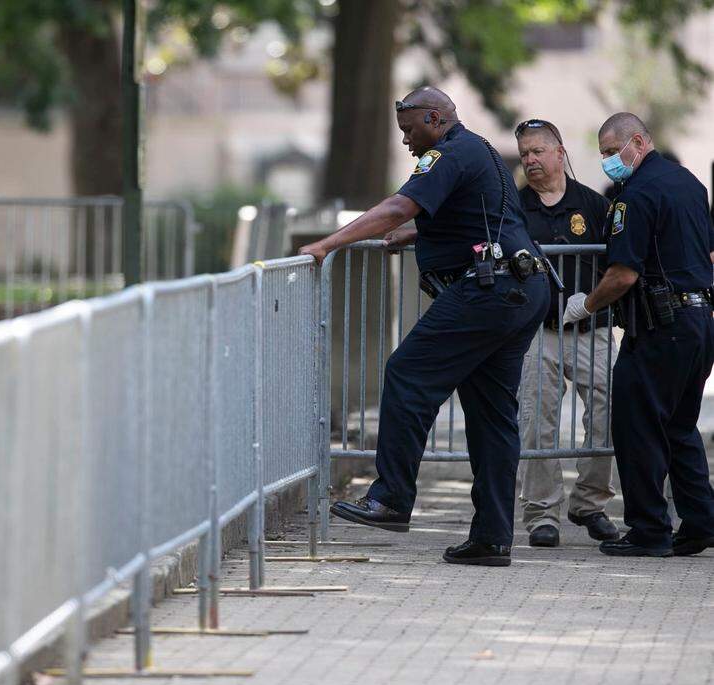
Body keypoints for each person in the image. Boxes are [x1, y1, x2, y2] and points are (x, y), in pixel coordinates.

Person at [299, 87, 549, 566]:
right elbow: (492, 215)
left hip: (489, 292)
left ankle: (391, 498)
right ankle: (492, 538)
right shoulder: (481, 153)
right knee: (493, 417)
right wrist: (425, 230)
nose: (408, 142)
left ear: (435, 118)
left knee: (407, 373)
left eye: (411, 130)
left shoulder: (448, 154)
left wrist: (327, 244)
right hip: (521, 288)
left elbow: (397, 206)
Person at [563, 112, 714, 557]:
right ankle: (700, 522)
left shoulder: (636, 196)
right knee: (679, 428)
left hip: (658, 327)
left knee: (638, 427)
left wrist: (585, 305)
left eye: (612, 151)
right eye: (604, 154)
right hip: (698, 322)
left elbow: (623, 274)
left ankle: (649, 530)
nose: (609, 161)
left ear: (639, 142)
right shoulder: (689, 183)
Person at [512, 119, 619, 547]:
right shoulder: (514, 209)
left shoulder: (594, 205)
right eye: (524, 154)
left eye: (538, 151)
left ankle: (589, 504)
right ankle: (542, 514)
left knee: (610, 415)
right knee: (537, 422)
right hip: (538, 330)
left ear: (560, 152)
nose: (531, 160)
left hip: (592, 327)